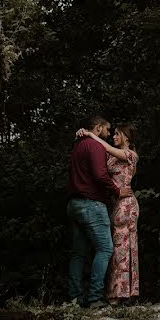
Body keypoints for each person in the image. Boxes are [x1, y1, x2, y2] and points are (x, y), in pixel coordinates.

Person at [66, 115, 132, 309]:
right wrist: (117, 190)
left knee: (78, 254)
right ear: (97, 128)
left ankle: (75, 299)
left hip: (73, 204)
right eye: (107, 129)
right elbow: (100, 174)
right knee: (105, 249)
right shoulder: (94, 146)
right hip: (91, 204)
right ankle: (95, 298)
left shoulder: (78, 145)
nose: (109, 133)